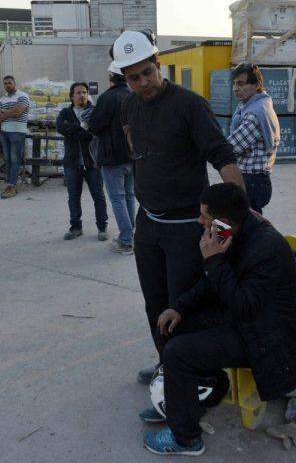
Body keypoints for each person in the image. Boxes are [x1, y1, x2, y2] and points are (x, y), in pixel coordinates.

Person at [110, 30, 245, 384]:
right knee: (154, 302)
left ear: (158, 64)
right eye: (133, 77)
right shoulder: (129, 104)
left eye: (147, 73)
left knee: (182, 305)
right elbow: (131, 134)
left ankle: (191, 374)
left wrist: (236, 212)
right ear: (125, 79)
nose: (142, 83)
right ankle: (167, 365)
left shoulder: (189, 105)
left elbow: (222, 155)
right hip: (148, 224)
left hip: (186, 226)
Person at [140, 183, 296, 456]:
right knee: (169, 327)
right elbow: (211, 284)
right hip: (246, 319)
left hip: (268, 338)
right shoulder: (231, 231)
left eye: (205, 218)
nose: (199, 222)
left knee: (177, 353)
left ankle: (186, 440)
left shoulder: (267, 248)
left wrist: (214, 262)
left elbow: (245, 306)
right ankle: (192, 397)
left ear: (224, 221)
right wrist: (179, 308)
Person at [88, 64, 136, 254]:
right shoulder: (133, 95)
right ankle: (130, 235)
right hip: (131, 155)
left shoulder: (108, 97)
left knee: (117, 199)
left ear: (110, 77)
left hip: (112, 156)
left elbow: (95, 125)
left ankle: (126, 240)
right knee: (129, 196)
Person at [55, 82, 108, 241]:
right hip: (72, 163)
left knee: (98, 196)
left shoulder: (94, 112)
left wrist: (73, 131)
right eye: (78, 93)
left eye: (84, 92)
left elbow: (93, 133)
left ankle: (102, 227)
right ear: (72, 96)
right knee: (73, 197)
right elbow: (60, 128)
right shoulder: (65, 112)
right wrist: (81, 126)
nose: (82, 95)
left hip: (92, 162)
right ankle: (76, 227)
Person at [228, 63, 280, 215]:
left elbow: (231, 148)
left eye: (241, 84)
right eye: (234, 83)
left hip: (252, 182)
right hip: (253, 180)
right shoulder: (253, 106)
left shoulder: (254, 115)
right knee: (246, 223)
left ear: (257, 85)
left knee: (242, 223)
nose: (235, 88)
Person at [0, 75, 30, 199]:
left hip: (17, 132)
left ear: (14, 83)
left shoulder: (23, 96)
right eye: (5, 83)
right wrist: (10, 113)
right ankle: (9, 183)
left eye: (9, 83)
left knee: (15, 159)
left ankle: (12, 186)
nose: (7, 85)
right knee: (7, 158)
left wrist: (5, 112)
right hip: (4, 132)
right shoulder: (2, 99)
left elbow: (18, 112)